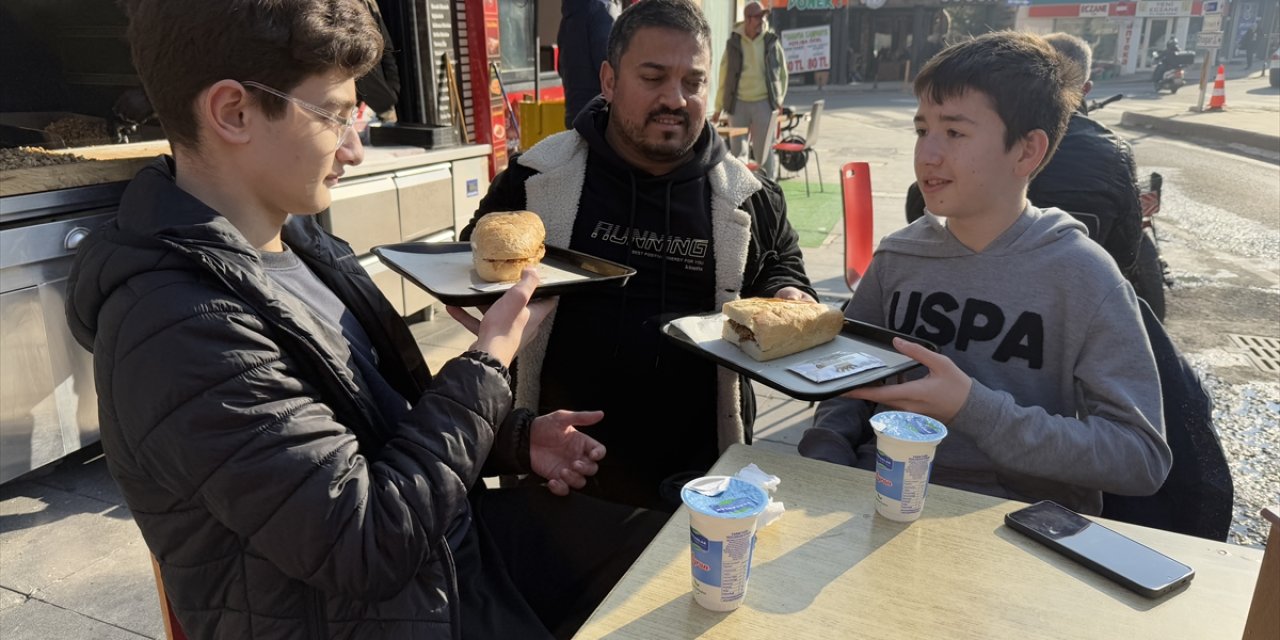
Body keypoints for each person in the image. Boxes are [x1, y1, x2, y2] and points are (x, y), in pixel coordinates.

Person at [64, 1, 663, 638]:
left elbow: (371, 428)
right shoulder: (177, 330)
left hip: (449, 556)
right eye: (336, 116)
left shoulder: (296, 244)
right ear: (233, 112)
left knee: (672, 554)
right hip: (379, 609)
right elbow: (367, 545)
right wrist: (486, 365)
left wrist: (511, 439)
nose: (354, 149)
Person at [798, 31, 1171, 516]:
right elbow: (845, 387)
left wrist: (972, 408)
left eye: (954, 133)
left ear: (1026, 152)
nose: (927, 155)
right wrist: (824, 465)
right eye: (921, 130)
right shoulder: (898, 258)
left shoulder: (1084, 276)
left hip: (1016, 526)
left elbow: (1140, 456)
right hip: (874, 502)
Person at [463, 0, 817, 511]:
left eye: (693, 82)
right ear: (608, 80)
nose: (674, 98)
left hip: (700, 479)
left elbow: (782, 267)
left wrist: (789, 293)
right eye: (653, 77)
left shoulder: (749, 195)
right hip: (559, 468)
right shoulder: (536, 180)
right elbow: (478, 252)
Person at [1029, 33, 1144, 281]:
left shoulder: (993, 132)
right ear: (1086, 89)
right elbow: (1127, 253)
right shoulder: (1113, 151)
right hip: (1081, 290)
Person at [712, 0, 788, 180]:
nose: (762, 21)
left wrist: (780, 98)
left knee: (764, 151)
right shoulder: (734, 42)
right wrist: (718, 108)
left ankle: (770, 189)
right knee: (739, 153)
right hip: (738, 103)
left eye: (764, 17)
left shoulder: (770, 41)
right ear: (747, 19)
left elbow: (783, 72)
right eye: (758, 18)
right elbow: (724, 76)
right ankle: (743, 190)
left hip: (764, 103)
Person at [558, 0, 622, 129]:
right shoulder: (602, 11)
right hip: (602, 116)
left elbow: (561, 68)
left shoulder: (569, 17)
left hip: (575, 112)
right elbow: (614, 69)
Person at [355, 0, 400, 122]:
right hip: (345, 106)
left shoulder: (367, 4)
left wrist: (392, 89)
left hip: (380, 103)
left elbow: (386, 47)